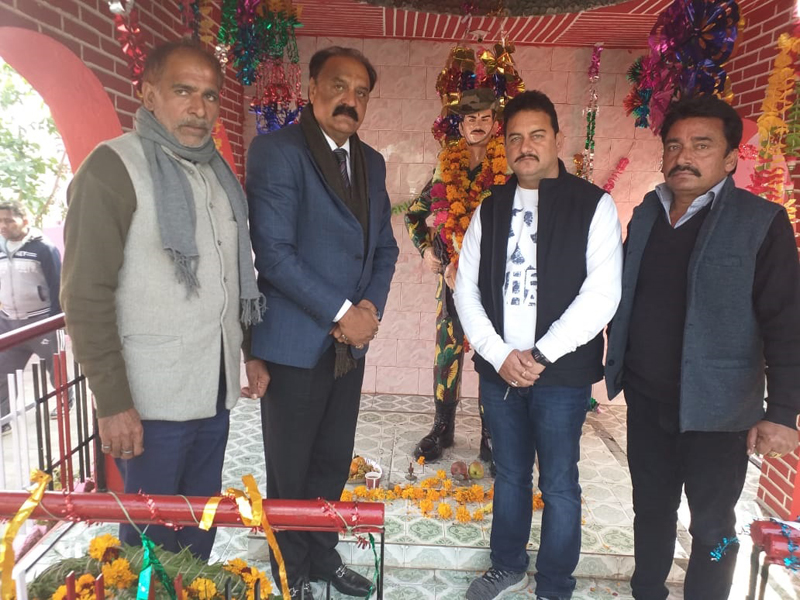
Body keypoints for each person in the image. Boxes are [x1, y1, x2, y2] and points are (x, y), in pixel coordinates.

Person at [61, 40, 264, 560]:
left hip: (212, 393)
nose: (200, 108)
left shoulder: (216, 174)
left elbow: (229, 277)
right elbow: (84, 294)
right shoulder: (113, 169)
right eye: (183, 91)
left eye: (211, 95)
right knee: (148, 540)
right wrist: (112, 402)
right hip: (148, 403)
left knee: (198, 528)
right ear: (148, 95)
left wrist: (248, 351)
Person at [605, 95, 800, 600]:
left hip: (719, 413)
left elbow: (786, 320)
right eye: (674, 145)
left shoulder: (761, 222)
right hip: (648, 401)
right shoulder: (648, 213)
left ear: (731, 158)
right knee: (650, 509)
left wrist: (782, 411)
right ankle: (647, 590)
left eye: (701, 145)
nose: (683, 156)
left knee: (714, 530)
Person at [454, 90, 623, 600]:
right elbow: (466, 288)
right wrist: (498, 354)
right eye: (515, 138)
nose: (525, 146)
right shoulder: (491, 208)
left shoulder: (593, 205)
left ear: (557, 139)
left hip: (562, 376)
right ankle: (507, 566)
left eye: (537, 135)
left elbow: (603, 293)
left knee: (559, 483)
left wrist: (542, 354)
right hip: (499, 373)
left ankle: (554, 584)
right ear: (504, 145)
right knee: (508, 475)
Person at [245, 46, 398, 599]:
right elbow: (275, 253)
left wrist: (369, 313)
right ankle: (291, 571)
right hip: (294, 344)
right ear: (312, 88)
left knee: (332, 461)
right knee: (290, 468)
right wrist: (341, 313)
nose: (349, 100)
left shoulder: (373, 162)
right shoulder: (276, 153)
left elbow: (386, 247)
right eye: (339, 86)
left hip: (346, 348)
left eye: (361, 93)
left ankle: (322, 556)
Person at [404, 87, 506, 464]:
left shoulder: (507, 171)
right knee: (447, 355)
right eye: (470, 119)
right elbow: (413, 215)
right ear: (460, 126)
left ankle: (491, 438)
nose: (477, 125)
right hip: (450, 284)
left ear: (495, 124)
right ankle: (442, 430)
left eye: (484, 118)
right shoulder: (445, 167)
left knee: (493, 358)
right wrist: (427, 250)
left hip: (494, 285)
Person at [0, 201, 63, 432]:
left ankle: (65, 402)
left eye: (8, 220)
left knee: (55, 367)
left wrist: (55, 322)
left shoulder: (43, 248)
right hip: (8, 321)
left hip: (41, 321)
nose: (3, 226)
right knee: (2, 373)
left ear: (25, 221)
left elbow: (58, 285)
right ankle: (3, 419)